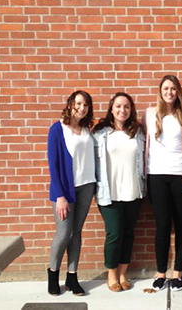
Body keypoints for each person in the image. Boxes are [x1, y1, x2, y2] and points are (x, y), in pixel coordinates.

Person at [143, 75, 182, 292]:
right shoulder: (149, 114)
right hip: (156, 176)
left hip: (180, 176)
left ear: (178, 92)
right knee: (162, 226)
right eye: (166, 88)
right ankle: (160, 273)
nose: (169, 92)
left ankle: (178, 274)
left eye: (173, 88)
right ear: (160, 90)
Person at [93, 92, 145, 292]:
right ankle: (112, 274)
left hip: (133, 190)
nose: (122, 110)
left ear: (131, 110)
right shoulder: (100, 132)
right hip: (109, 192)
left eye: (126, 107)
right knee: (114, 234)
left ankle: (123, 273)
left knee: (129, 234)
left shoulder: (137, 132)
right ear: (111, 109)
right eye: (118, 106)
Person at [47, 90, 96, 296]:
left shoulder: (87, 129)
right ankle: (52, 274)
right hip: (65, 190)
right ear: (70, 104)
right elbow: (54, 164)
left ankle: (72, 277)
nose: (81, 108)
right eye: (78, 104)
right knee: (63, 233)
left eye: (85, 105)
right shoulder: (58, 129)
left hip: (86, 186)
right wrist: (60, 197)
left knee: (77, 233)